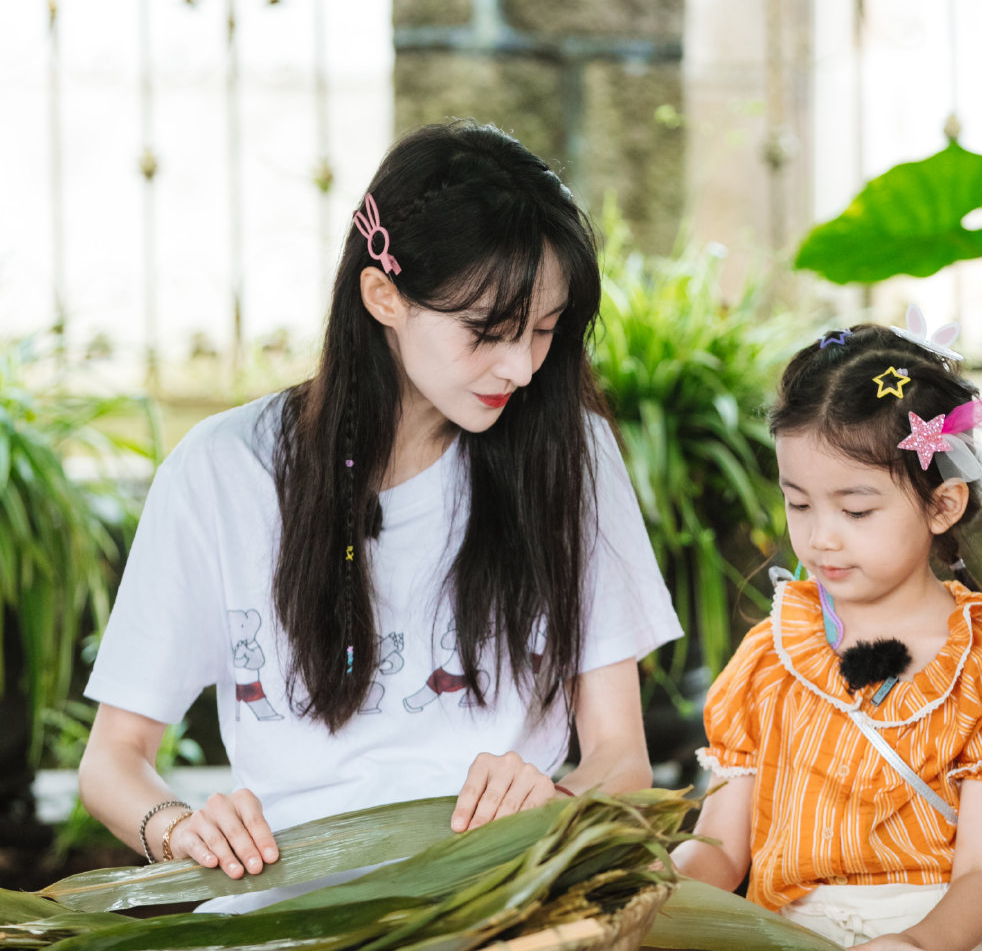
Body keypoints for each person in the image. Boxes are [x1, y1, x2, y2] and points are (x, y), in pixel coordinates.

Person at [79, 122, 681, 878]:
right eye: (488, 332)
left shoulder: (570, 454)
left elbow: (622, 755)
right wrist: (181, 829)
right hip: (292, 909)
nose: (523, 369)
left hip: (500, 901)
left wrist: (554, 800)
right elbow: (112, 762)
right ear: (383, 295)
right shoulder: (222, 472)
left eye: (545, 332)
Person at [674, 316, 982, 951]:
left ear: (943, 503)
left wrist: (921, 944)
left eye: (855, 509)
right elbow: (723, 848)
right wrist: (648, 893)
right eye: (798, 503)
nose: (820, 536)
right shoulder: (767, 658)